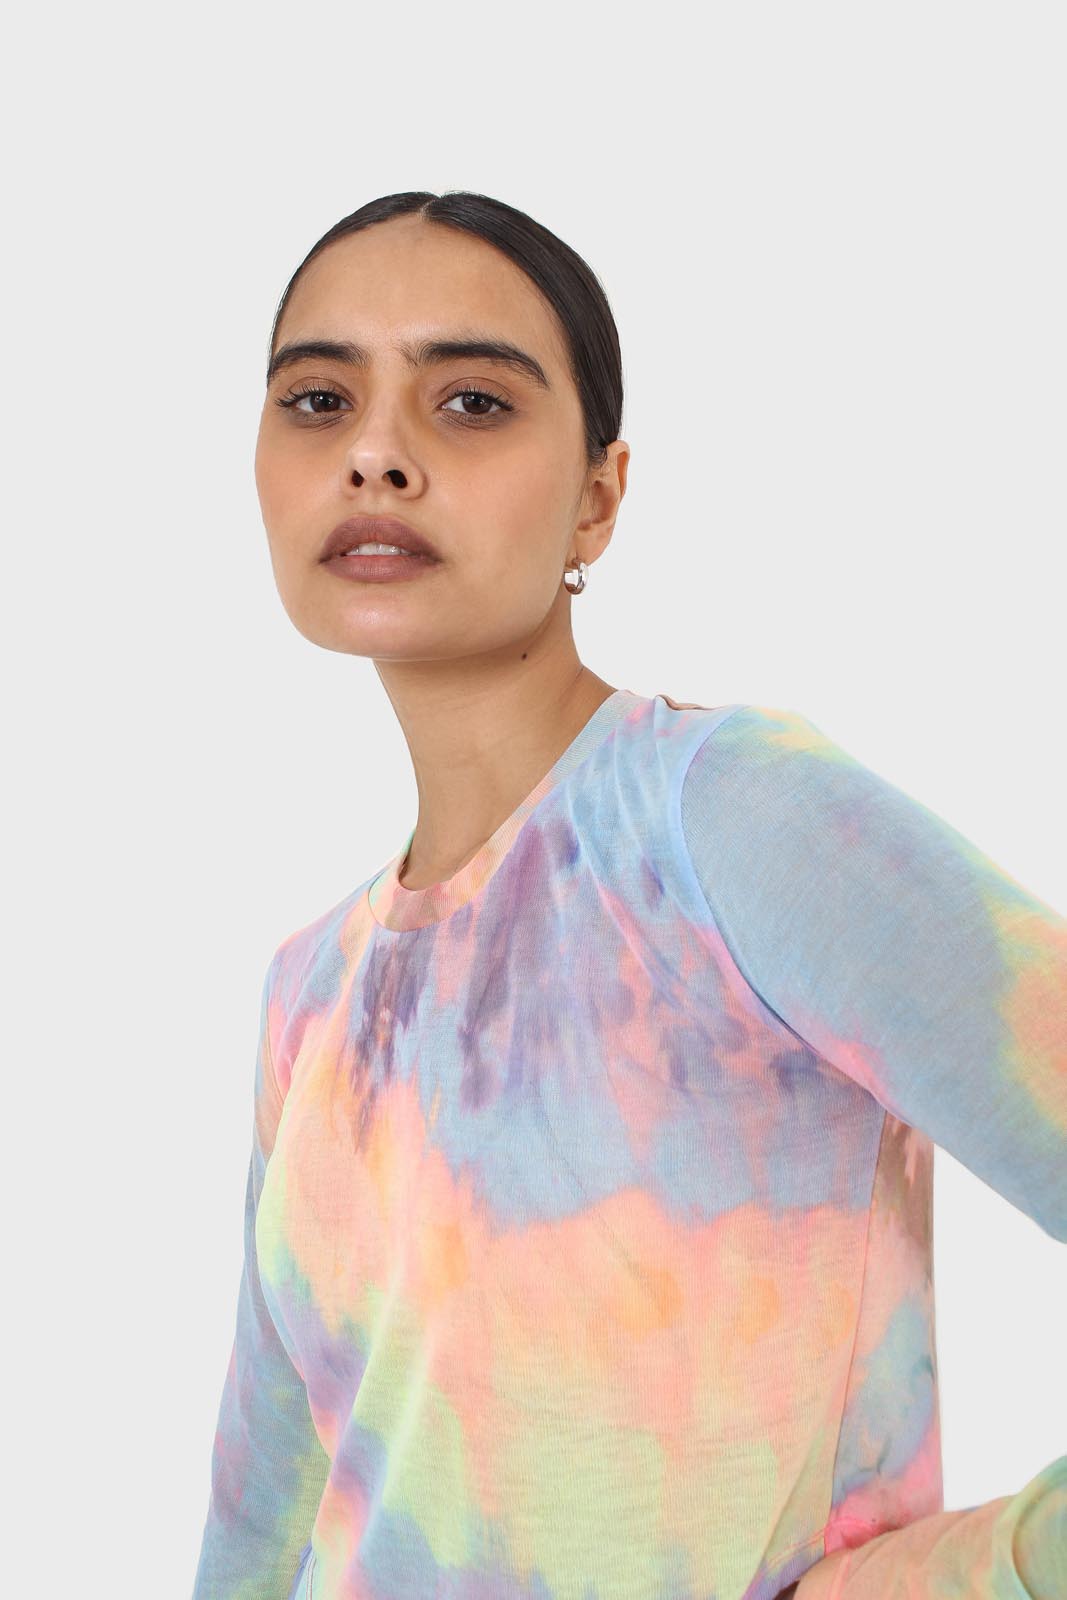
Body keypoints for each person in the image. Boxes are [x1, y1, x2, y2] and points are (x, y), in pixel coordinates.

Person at [190, 190, 1066, 1600]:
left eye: (471, 402)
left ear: (597, 495)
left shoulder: (727, 822)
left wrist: (984, 1572)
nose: (374, 452)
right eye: (317, 399)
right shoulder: (310, 989)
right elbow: (261, 1513)